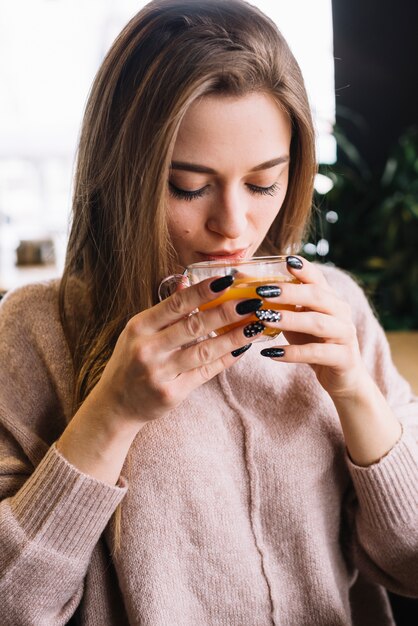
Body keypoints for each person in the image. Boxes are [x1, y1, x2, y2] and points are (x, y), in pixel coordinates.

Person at [0, 0, 417, 624]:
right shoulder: (35, 331)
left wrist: (357, 395)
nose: (233, 225)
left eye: (263, 183)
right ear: (124, 175)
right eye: (188, 186)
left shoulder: (334, 310)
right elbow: (11, 602)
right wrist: (110, 415)